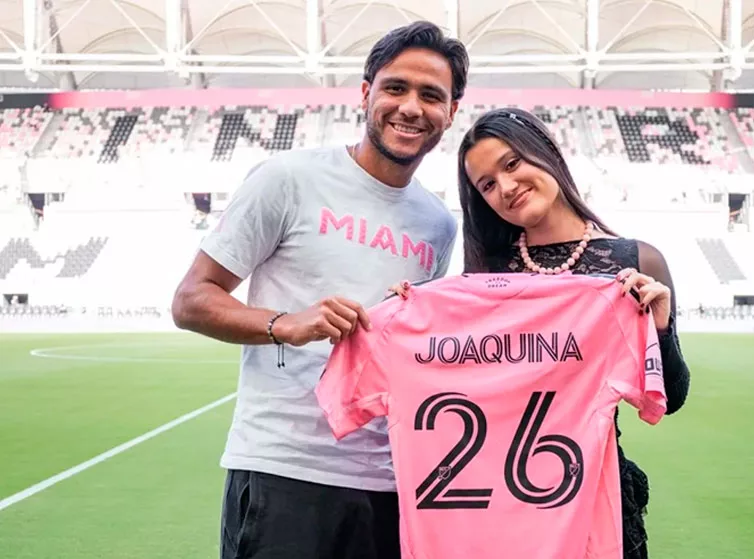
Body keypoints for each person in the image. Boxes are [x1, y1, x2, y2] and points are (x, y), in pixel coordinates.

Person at [171, 21, 469, 559]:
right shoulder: (288, 178)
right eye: (395, 88)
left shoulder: (438, 224)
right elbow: (191, 299)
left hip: (389, 482)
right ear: (366, 93)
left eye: (431, 95)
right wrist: (284, 323)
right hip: (284, 470)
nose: (410, 107)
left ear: (451, 112)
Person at [389, 108, 690, 559]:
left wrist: (660, 327)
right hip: (505, 504)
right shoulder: (486, 273)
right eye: (487, 185)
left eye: (512, 164)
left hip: (596, 501)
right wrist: (407, 316)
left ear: (545, 150)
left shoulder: (637, 262)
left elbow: (671, 398)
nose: (506, 187)